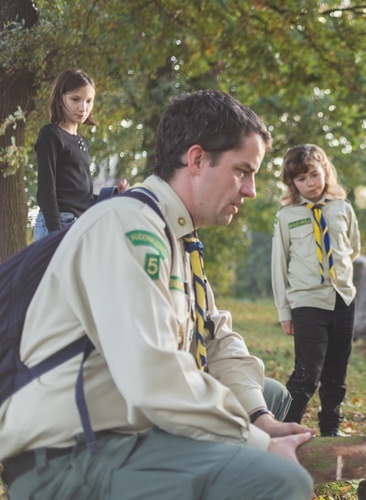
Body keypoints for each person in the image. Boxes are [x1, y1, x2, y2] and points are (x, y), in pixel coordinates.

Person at [0, 90, 314, 499]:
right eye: (243, 171)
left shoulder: (176, 237)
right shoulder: (129, 227)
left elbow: (216, 338)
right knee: (279, 479)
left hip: (116, 436)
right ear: (197, 160)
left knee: (271, 394)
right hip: (70, 458)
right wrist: (257, 443)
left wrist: (260, 418)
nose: (251, 190)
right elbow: (153, 373)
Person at [271, 144, 360, 437]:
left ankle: (330, 431)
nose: (310, 183)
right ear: (292, 183)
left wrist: (341, 278)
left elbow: (353, 249)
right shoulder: (287, 215)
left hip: (343, 298)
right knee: (307, 373)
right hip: (307, 302)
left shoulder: (342, 208)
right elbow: (279, 264)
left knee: (336, 375)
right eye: (301, 179)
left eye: (314, 175)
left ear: (325, 172)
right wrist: (285, 311)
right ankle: (282, 428)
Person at [33, 69, 99, 241]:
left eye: (89, 101)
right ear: (60, 98)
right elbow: (46, 191)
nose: (83, 108)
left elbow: (83, 195)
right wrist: (55, 234)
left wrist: (114, 195)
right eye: (75, 99)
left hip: (81, 224)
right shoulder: (50, 135)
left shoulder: (82, 142)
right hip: (57, 223)